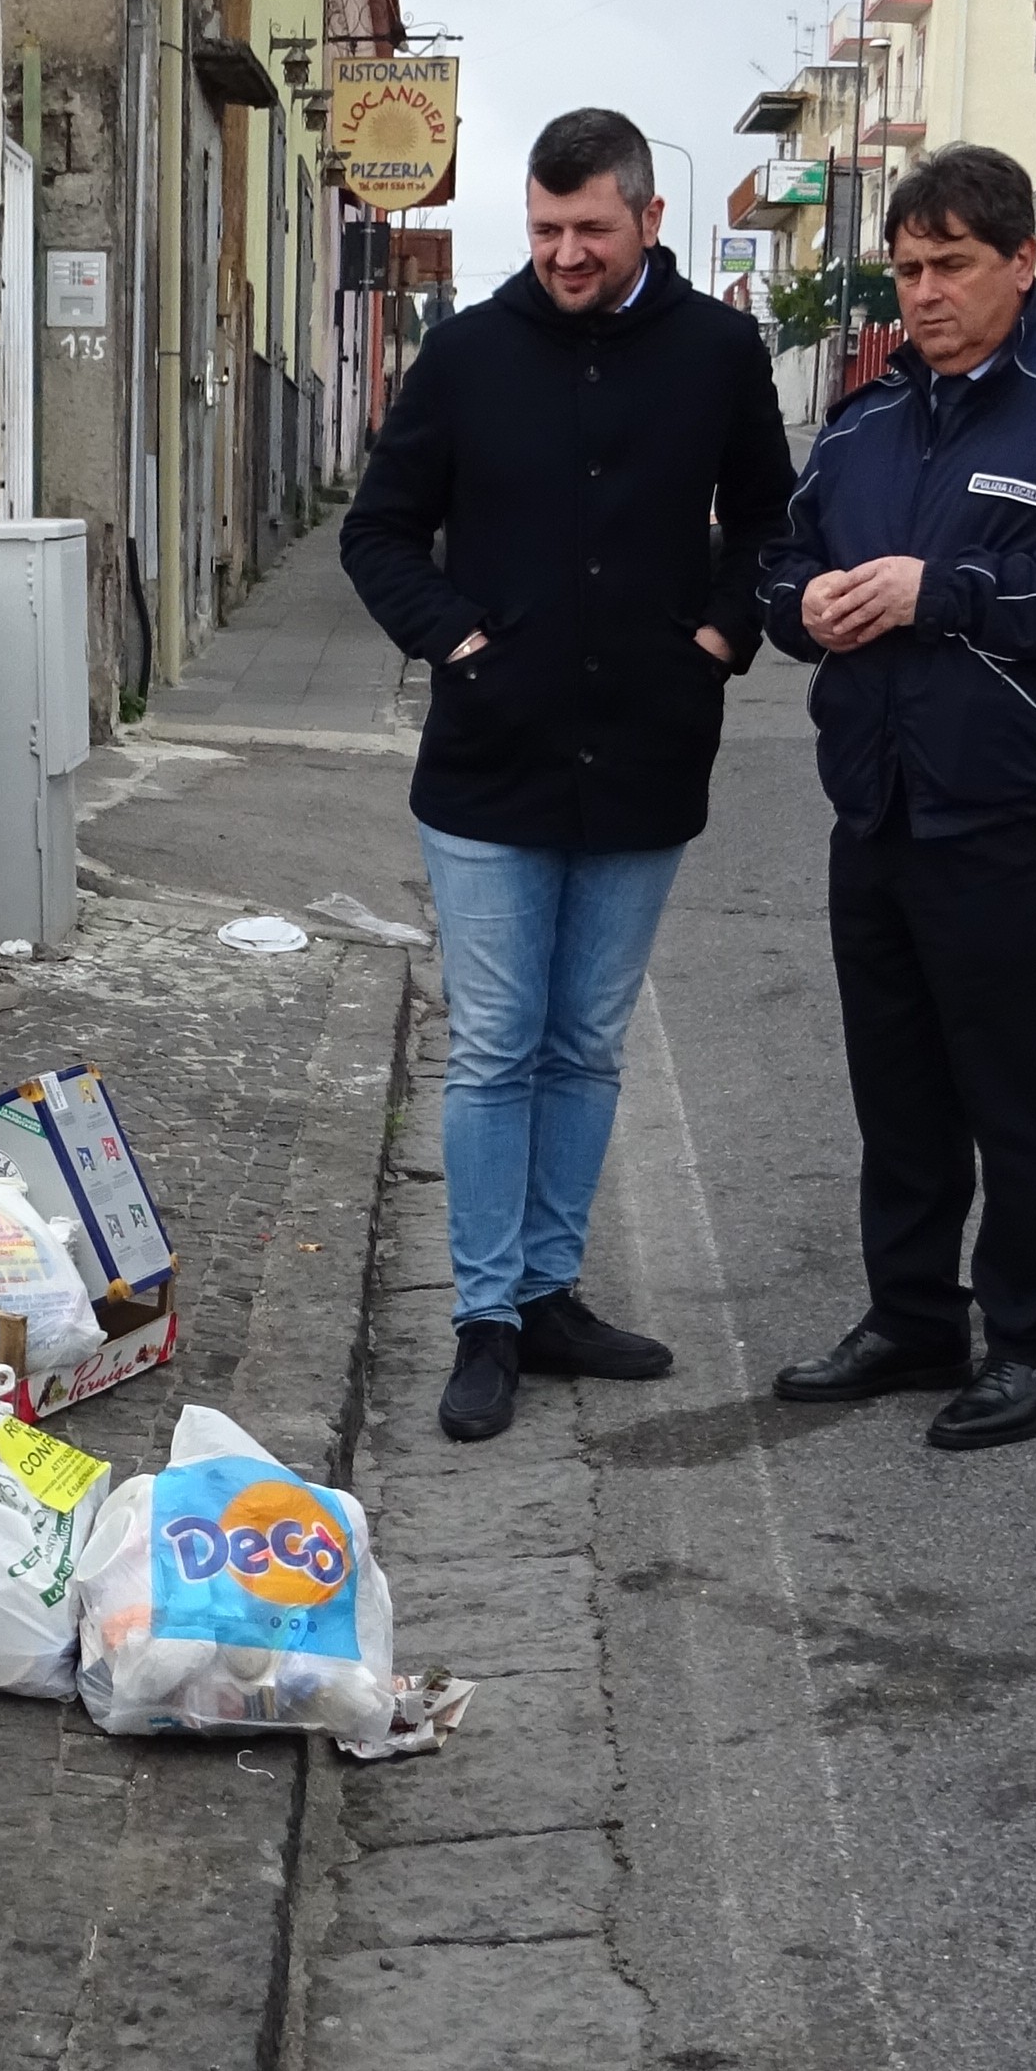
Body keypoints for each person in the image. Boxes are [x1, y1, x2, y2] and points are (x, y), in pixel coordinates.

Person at [341, 106, 797, 1444]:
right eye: (544, 230)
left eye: (589, 229)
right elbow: (381, 535)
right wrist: (459, 643)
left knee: (585, 1045)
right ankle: (486, 1318)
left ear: (648, 221)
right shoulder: (471, 353)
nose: (563, 254)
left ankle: (551, 1295)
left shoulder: (718, 351)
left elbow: (773, 521)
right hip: (490, 759)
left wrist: (721, 634)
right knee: (495, 1046)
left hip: (648, 755)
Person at [753, 144, 1036, 1450]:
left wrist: (949, 593)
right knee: (898, 1085)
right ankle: (913, 1317)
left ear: (1021, 265)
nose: (924, 292)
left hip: (1010, 805)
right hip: (874, 803)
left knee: (1020, 1084)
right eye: (907, 267)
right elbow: (783, 559)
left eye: (950, 266)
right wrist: (802, 608)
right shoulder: (867, 418)